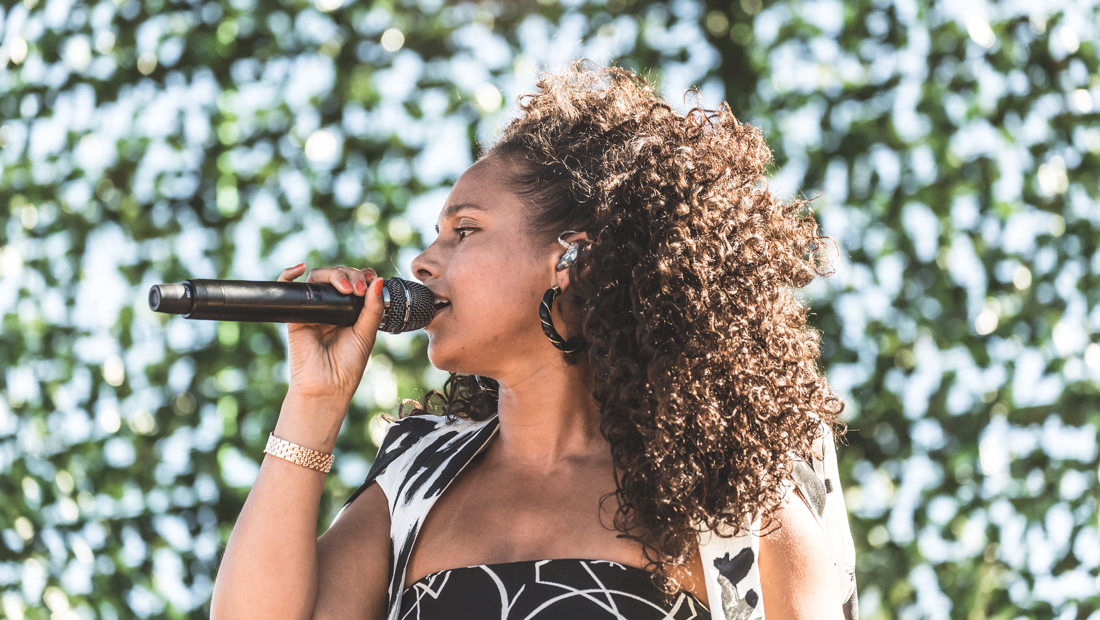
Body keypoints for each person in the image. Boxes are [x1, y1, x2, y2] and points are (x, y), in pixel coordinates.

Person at [210, 62, 857, 620]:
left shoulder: (732, 494)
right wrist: (315, 399)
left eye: (463, 230)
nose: (423, 261)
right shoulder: (415, 479)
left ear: (573, 258)